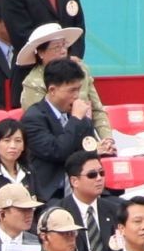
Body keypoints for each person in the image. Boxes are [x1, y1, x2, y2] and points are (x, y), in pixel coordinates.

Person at [16, 26, 113, 152]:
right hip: (58, 148)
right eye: (57, 47)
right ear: (41, 53)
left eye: (64, 46)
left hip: (87, 142)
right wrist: (89, 148)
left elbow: (97, 110)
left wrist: (107, 140)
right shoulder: (33, 83)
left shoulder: (80, 70)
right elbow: (45, 131)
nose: (63, 51)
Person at [19, 58, 102, 201]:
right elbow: (58, 151)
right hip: (49, 194)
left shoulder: (80, 118)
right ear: (52, 90)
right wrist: (75, 119)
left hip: (82, 192)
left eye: (78, 89)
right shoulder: (33, 118)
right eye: (72, 90)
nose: (76, 96)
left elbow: (90, 155)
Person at [47, 149, 122, 251]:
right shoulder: (58, 213)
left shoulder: (116, 210)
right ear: (74, 181)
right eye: (92, 175)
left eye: (101, 173)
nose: (99, 178)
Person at [0, 118, 39, 200]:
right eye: (7, 140)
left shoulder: (29, 170)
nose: (13, 146)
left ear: (23, 146)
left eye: (18, 141)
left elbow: (41, 202)